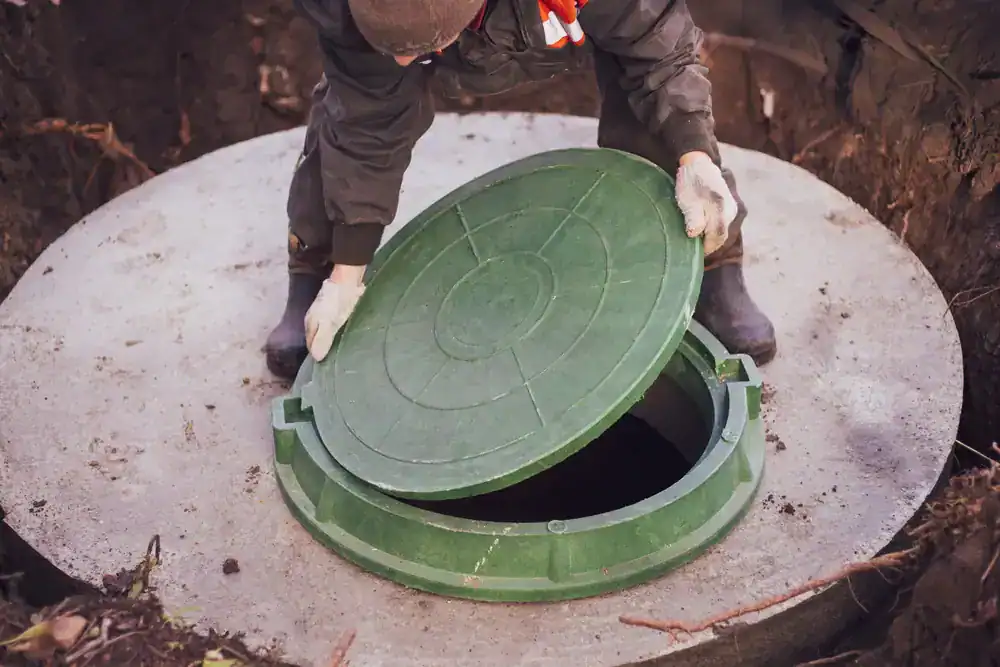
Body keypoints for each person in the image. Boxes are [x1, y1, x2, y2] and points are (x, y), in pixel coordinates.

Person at [264, 0, 777, 380]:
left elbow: (661, 51)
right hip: (445, 29)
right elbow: (368, 130)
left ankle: (712, 263)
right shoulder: (346, 11)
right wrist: (348, 273)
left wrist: (695, 155)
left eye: (415, 47)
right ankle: (316, 265)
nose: (402, 63)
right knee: (348, 115)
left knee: (650, 98)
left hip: (555, 19)